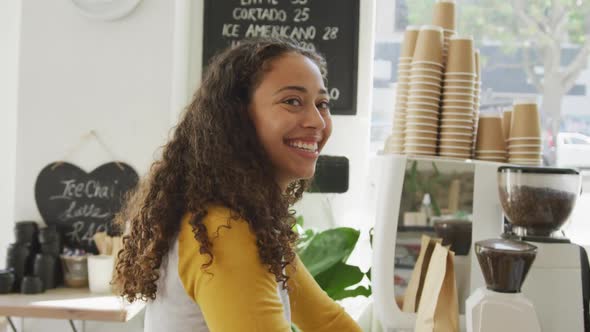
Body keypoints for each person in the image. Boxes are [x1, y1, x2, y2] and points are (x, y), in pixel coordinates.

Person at [113, 38, 362, 332]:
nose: (317, 121)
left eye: (322, 104)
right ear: (238, 118)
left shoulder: (247, 219)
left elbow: (327, 322)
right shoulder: (224, 230)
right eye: (292, 101)